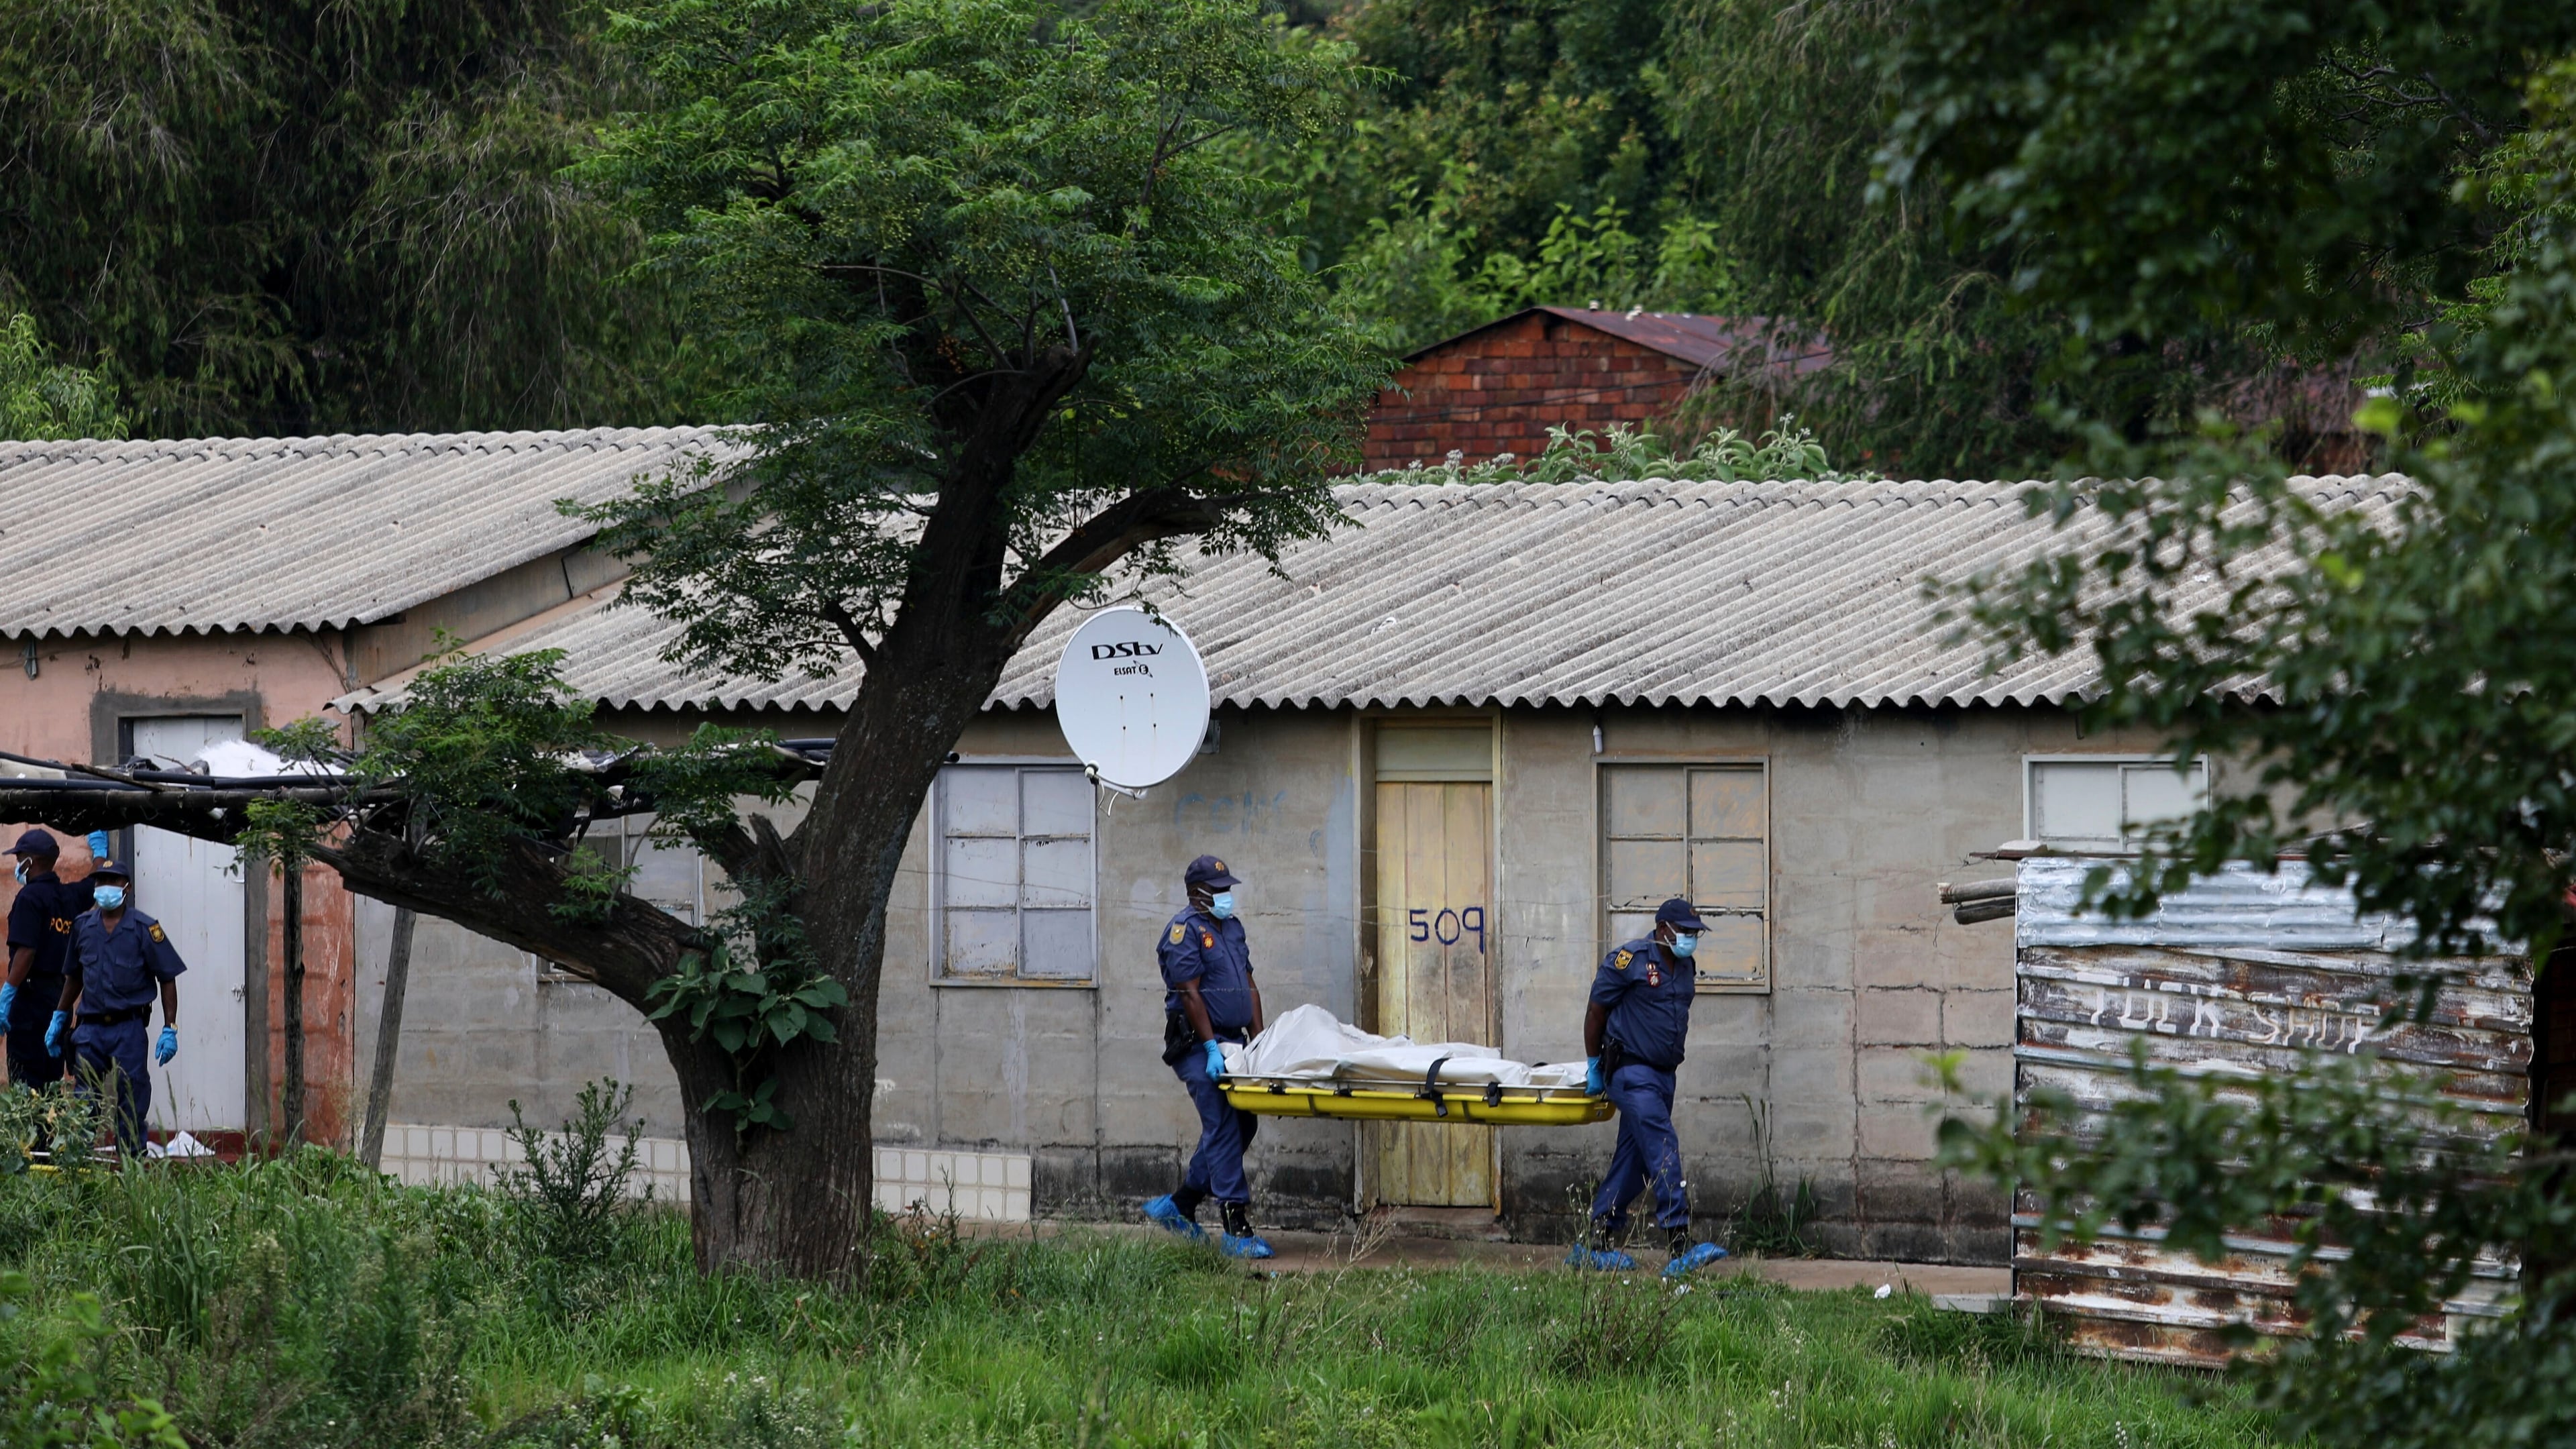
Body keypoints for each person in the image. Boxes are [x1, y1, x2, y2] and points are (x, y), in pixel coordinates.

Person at [1570, 896, 1729, 1277]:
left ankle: (1597, 1240)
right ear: (1664, 930)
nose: (1691, 939)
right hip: (1630, 1071)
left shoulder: (1686, 965)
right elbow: (1596, 1010)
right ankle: (1679, 1242)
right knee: (1662, 1144)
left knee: (1637, 1159)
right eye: (1686, 932)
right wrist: (1595, 1065)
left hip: (1663, 1075)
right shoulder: (1630, 960)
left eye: (1696, 933)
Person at [1140, 853, 1273, 1258]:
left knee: (1244, 1124)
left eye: (1227, 889)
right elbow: (1190, 992)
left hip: (1235, 1045)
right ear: (1196, 893)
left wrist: (1258, 1040)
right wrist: (1212, 1046)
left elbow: (1249, 984)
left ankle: (1180, 1204)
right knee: (1221, 1125)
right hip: (1200, 1048)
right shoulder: (1184, 932)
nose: (1225, 896)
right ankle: (1236, 1225)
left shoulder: (1231, 929)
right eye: (1218, 891)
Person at [47, 857, 183, 1161]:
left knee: (132, 1098)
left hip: (129, 1028)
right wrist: (60, 1016)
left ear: (127, 888)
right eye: (100, 882)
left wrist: (170, 1028)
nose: (104, 888)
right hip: (90, 1028)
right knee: (85, 1099)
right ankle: (79, 1164)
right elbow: (74, 977)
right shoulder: (83, 926)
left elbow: (168, 978)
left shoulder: (145, 928)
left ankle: (132, 1165)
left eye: (112, 881)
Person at [3, 828, 112, 1093]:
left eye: (20, 859)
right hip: (58, 999)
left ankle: (31, 1136)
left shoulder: (29, 898)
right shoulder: (68, 896)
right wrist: (100, 853)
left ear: (31, 861)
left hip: (29, 1001)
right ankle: (49, 1134)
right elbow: (95, 882)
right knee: (51, 1079)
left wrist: (8, 994)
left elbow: (26, 952)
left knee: (25, 1084)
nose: (18, 865)